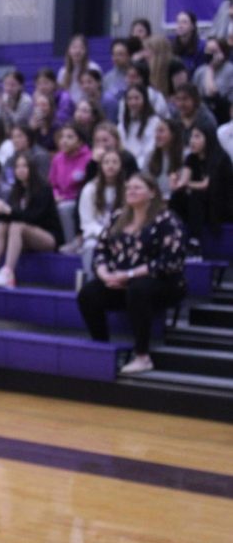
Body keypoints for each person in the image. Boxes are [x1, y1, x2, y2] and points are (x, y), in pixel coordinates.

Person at [77, 173, 186, 374]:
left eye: (137, 188)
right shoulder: (118, 217)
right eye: (128, 188)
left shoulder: (167, 220)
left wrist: (128, 275)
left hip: (163, 283)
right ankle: (102, 348)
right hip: (123, 281)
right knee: (88, 294)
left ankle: (142, 356)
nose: (131, 191)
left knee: (138, 289)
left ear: (152, 192)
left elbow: (170, 262)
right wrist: (104, 275)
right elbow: (101, 250)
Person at [0, 152, 62, 288]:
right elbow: (11, 215)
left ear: (32, 169)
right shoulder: (16, 189)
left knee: (16, 225)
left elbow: (34, 217)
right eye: (17, 167)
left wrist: (8, 211)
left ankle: (7, 273)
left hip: (48, 236)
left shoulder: (44, 188)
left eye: (25, 166)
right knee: (2, 224)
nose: (21, 170)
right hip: (25, 236)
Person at [171, 122, 233, 256]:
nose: (192, 141)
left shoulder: (220, 158)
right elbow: (183, 183)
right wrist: (176, 181)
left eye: (197, 137)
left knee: (196, 196)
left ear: (208, 138)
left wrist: (187, 184)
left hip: (221, 204)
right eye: (191, 137)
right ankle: (173, 235)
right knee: (177, 197)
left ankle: (195, 241)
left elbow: (207, 185)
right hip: (203, 203)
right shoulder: (191, 158)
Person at [79, 149, 126, 278]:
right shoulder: (90, 189)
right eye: (106, 162)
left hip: (122, 234)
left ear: (121, 165)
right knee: (90, 246)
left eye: (115, 162)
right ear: (101, 166)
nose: (110, 165)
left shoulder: (127, 189)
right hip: (96, 235)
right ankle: (91, 279)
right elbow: (87, 222)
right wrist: (105, 233)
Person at [48, 124, 92, 247]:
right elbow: (52, 184)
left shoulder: (89, 158)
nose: (64, 141)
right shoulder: (57, 159)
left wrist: (68, 198)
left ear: (80, 142)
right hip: (60, 199)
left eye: (70, 137)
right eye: (62, 137)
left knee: (65, 208)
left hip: (79, 199)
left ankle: (72, 243)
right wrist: (55, 195)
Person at [119, 85, 160, 169]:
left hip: (144, 167)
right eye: (129, 99)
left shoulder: (154, 122)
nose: (133, 102)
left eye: (136, 98)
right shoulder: (122, 124)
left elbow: (150, 151)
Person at [146, 117, 186, 200]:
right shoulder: (150, 156)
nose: (157, 135)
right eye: (156, 131)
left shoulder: (185, 157)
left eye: (161, 131)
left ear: (173, 134)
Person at [57, 34, 101, 104]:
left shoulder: (93, 68)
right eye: (74, 47)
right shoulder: (63, 72)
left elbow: (99, 93)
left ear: (86, 51)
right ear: (69, 50)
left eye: (81, 48)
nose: (77, 51)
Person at [171, 11, 206, 77]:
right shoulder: (170, 43)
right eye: (178, 22)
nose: (180, 26)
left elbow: (201, 73)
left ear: (193, 26)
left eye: (184, 22)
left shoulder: (202, 46)